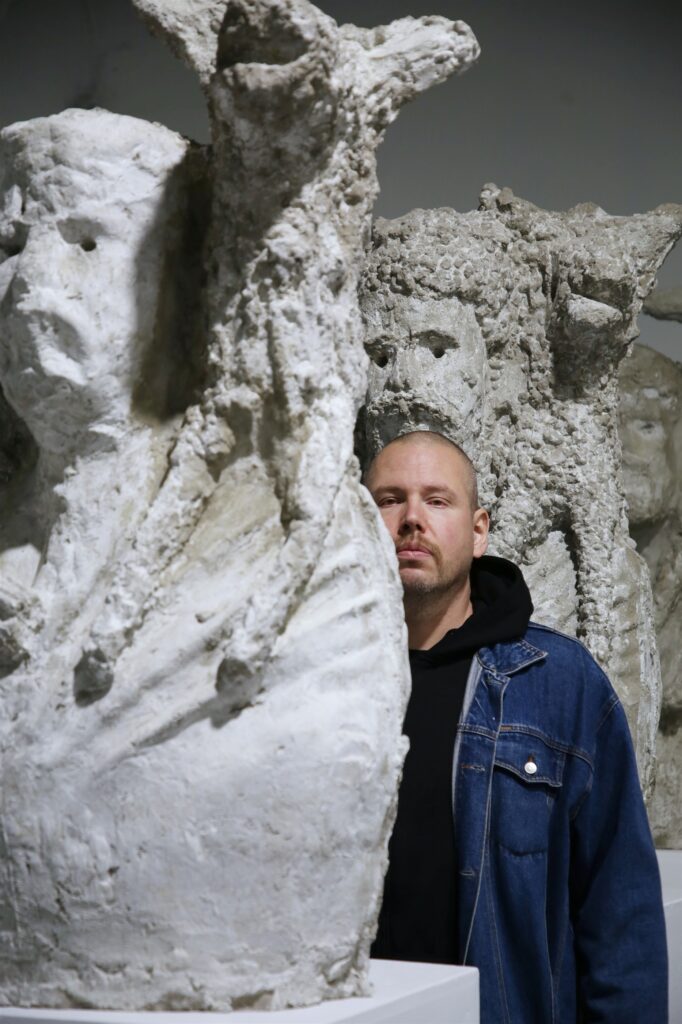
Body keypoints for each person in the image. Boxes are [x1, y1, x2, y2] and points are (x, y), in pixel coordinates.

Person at [365, 429, 668, 1024]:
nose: (411, 519)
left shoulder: (560, 683)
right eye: (389, 500)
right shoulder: (316, 681)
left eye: (437, 500)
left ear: (478, 531)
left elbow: (619, 913)